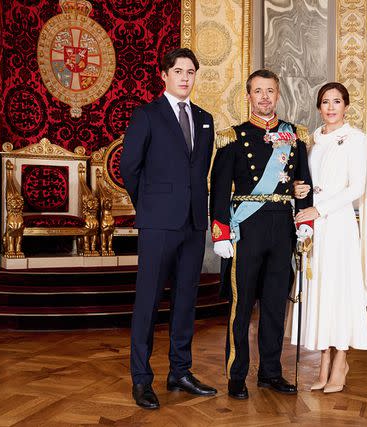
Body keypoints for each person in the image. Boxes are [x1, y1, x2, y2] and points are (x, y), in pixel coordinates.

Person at [120, 48, 217, 410]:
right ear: (164, 75)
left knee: (185, 301)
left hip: (193, 222)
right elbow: (129, 167)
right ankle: (141, 379)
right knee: (147, 302)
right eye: (178, 71)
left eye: (191, 71)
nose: (185, 77)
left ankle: (180, 371)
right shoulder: (147, 115)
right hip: (158, 223)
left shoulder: (205, 119)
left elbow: (200, 170)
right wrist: (149, 206)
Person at [210, 69, 314, 400]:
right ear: (249, 96)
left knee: (273, 306)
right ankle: (236, 375)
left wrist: (304, 224)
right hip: (247, 230)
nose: (265, 97)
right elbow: (218, 190)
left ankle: (271, 372)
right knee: (241, 307)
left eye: (270, 91)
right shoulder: (232, 137)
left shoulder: (294, 136)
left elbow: (303, 184)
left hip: (282, 227)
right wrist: (221, 232)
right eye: (258, 91)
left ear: (278, 95)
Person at [289, 81, 367, 393]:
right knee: (318, 289)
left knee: (338, 290)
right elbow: (307, 183)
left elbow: (355, 188)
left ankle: (341, 359)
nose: (330, 107)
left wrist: (319, 210)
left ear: (346, 106)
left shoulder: (356, 139)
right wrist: (300, 192)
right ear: (318, 106)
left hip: (337, 224)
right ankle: (323, 357)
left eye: (336, 101)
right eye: (325, 102)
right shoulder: (310, 141)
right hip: (315, 227)